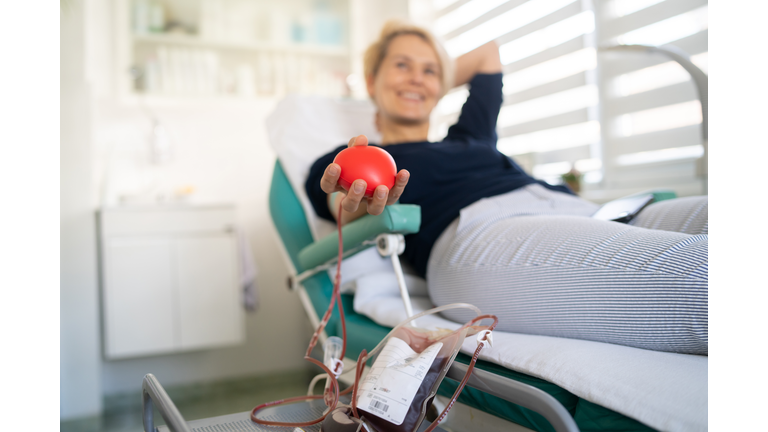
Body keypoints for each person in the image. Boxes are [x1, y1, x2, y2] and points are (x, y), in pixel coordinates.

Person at [305, 20, 707, 355]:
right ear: (372, 79)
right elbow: (340, 198)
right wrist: (361, 198)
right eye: (402, 66)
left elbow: (488, 53)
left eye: (430, 70)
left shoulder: (470, 134)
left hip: (577, 209)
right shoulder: (357, 153)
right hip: (480, 233)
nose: (416, 77)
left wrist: (423, 81)